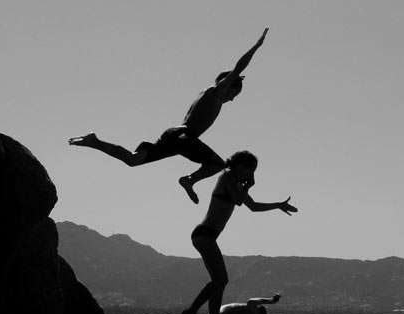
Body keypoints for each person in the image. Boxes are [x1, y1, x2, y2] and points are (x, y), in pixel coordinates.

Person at [68, 28, 269, 204]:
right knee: (217, 164)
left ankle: (94, 141)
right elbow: (238, 68)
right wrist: (256, 47)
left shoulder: (208, 94)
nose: (233, 100)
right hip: (184, 137)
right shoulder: (215, 92)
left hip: (175, 136)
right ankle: (189, 180)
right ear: (228, 86)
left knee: (133, 160)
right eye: (234, 95)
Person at [181, 150, 296, 314]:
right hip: (204, 234)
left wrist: (277, 205)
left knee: (218, 281)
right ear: (240, 166)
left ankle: (191, 312)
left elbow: (252, 207)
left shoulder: (235, 183)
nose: (251, 175)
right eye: (250, 170)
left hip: (208, 236)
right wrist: (248, 186)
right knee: (221, 280)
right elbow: (240, 200)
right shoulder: (226, 177)